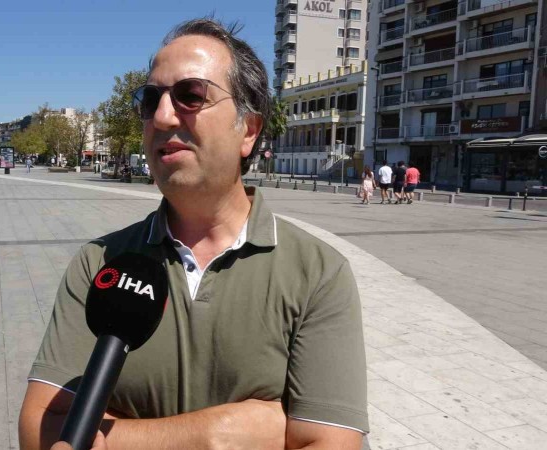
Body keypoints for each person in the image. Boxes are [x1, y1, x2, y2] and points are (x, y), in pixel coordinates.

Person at [18, 18, 368, 450]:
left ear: (248, 130)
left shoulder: (317, 273)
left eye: (190, 95)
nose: (162, 116)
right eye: (150, 100)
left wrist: (112, 436)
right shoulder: (99, 263)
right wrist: (211, 435)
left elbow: (332, 443)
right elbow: (40, 429)